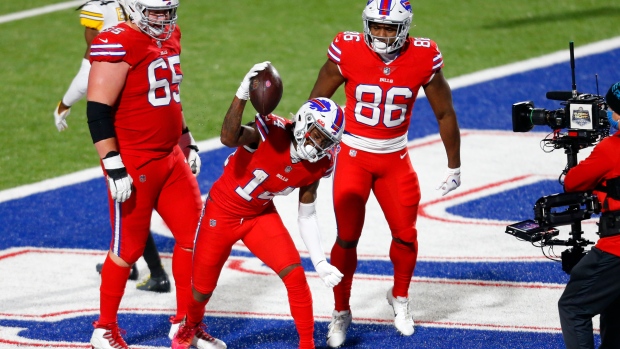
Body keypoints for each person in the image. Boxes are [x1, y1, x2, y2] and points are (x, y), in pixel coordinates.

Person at [307, 1, 462, 346]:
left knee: (406, 234)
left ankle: (401, 298)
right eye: (375, 26)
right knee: (346, 238)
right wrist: (308, 153)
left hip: (395, 158)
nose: (380, 33)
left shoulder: (424, 56)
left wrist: (455, 164)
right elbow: (315, 104)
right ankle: (341, 310)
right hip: (353, 156)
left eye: (389, 28)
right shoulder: (346, 49)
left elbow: (445, 113)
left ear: (405, 29)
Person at [171, 62, 345, 349]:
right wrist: (241, 94)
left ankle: (307, 345)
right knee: (202, 289)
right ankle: (190, 327)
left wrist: (319, 261)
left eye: (326, 141)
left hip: (259, 215)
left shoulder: (321, 163)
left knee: (296, 277)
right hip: (221, 212)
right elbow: (228, 138)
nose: (318, 146)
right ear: (303, 123)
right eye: (316, 134)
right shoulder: (270, 130)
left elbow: (307, 214)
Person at [85, 0, 223, 348]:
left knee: (196, 238)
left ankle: (185, 324)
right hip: (135, 160)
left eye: (167, 10)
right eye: (154, 11)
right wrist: (113, 165)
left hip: (169, 156)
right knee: (127, 248)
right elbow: (98, 109)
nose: (162, 18)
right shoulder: (115, 41)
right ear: (132, 7)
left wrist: (186, 140)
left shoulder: (171, 35)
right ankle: (103, 329)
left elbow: (169, 97)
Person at [53, 0, 171, 293]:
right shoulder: (142, 10)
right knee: (131, 201)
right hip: (152, 113)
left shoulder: (97, 12)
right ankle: (132, 263)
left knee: (128, 202)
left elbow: (89, 74)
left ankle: (152, 271)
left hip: (123, 124)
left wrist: (64, 103)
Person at [558, 82, 620, 349]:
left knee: (573, 307)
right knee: (615, 306)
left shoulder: (610, 149)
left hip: (616, 249)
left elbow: (572, 182)